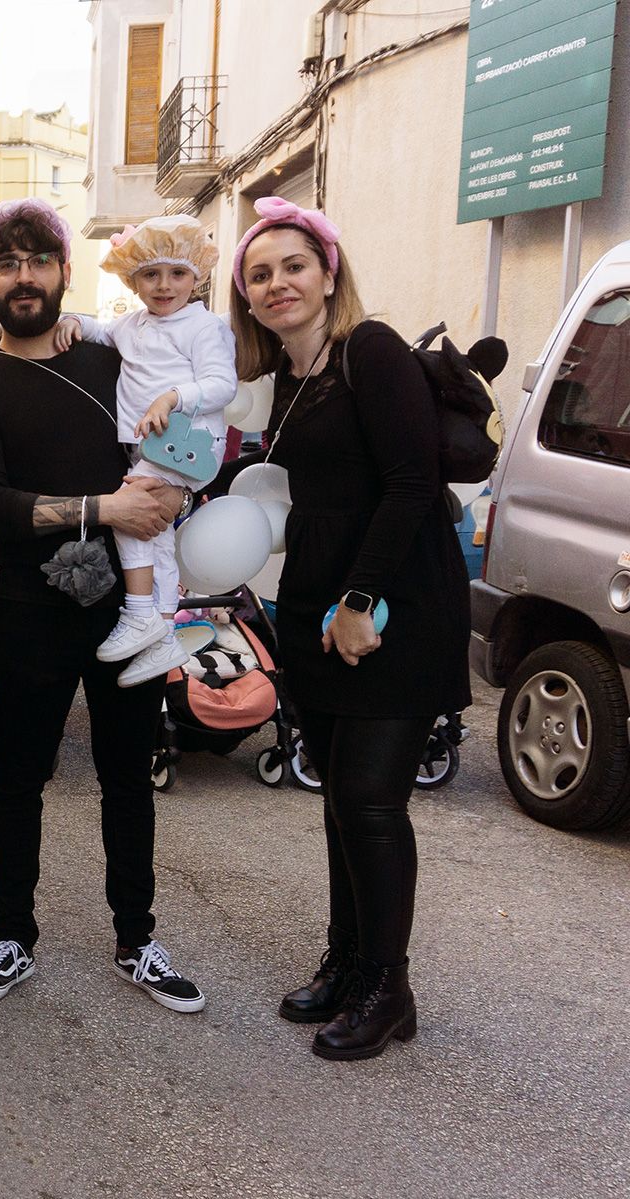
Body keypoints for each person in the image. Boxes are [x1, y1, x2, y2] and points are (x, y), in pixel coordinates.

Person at [0, 198, 205, 1016]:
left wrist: (170, 504)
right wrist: (104, 509)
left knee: (128, 775)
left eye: (39, 261)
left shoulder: (108, 359)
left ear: (63, 272)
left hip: (129, 606)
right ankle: (13, 933)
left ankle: (137, 939)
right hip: (33, 605)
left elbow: (178, 432)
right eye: (8, 263)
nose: (25, 277)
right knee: (20, 777)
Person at [229, 197, 467, 1061]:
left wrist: (361, 601)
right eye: (260, 273)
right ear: (247, 297)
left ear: (329, 273)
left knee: (370, 800)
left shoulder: (372, 351)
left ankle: (388, 987)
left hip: (393, 602)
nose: (278, 282)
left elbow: (411, 482)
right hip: (315, 605)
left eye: (294, 265)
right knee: (336, 798)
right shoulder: (286, 381)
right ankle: (346, 961)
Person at [57, 216, 238, 687]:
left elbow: (223, 383)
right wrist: (74, 321)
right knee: (154, 531)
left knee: (130, 511)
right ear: (132, 279)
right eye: (150, 274)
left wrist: (172, 397)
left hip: (189, 443)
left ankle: (142, 612)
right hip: (158, 447)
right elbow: (101, 332)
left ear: (196, 275)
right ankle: (160, 634)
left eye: (176, 273)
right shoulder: (133, 324)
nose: (163, 285)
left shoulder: (202, 326)